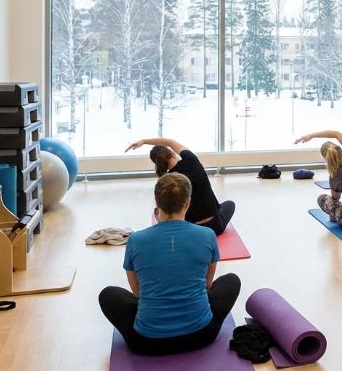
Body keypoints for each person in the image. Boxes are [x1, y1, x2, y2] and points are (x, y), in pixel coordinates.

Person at [98, 174, 241, 356]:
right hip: (202, 334)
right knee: (231, 281)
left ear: (157, 204)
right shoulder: (207, 235)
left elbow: (136, 292)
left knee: (108, 295)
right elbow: (208, 285)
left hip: (146, 342)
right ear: (187, 203)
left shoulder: (135, 240)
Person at [126, 137, 235, 235]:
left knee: (161, 210)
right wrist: (145, 141)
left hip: (191, 229)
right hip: (215, 226)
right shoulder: (191, 159)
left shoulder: (168, 181)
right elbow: (170, 141)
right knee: (229, 204)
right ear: (172, 153)